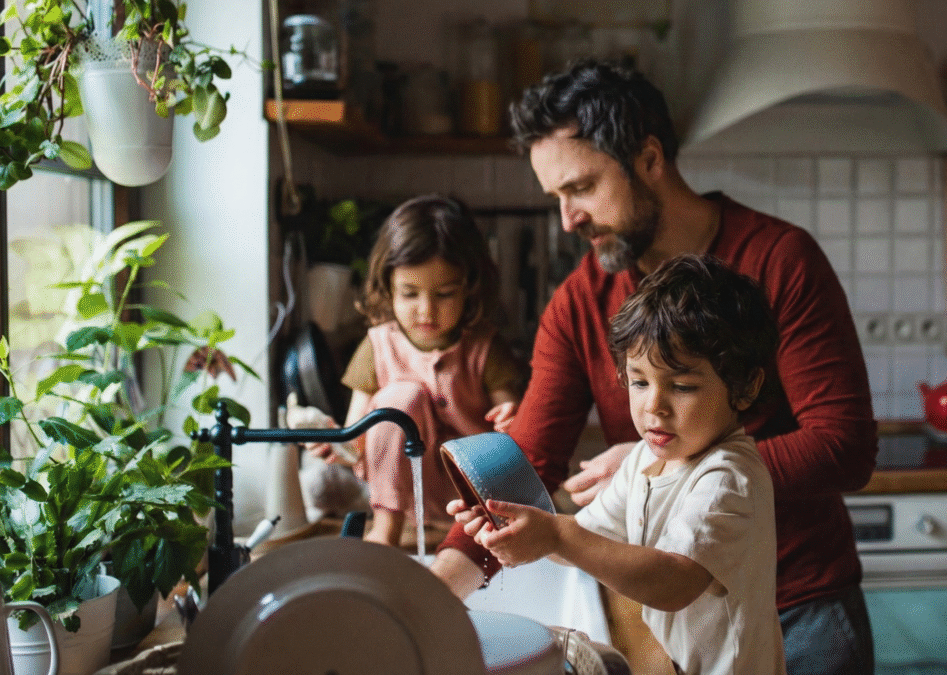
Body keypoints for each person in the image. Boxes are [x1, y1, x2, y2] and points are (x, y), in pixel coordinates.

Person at [431, 60, 878, 675]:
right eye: (556, 197)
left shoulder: (780, 260)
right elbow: (527, 463)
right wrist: (430, 598)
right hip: (680, 629)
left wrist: (670, 465)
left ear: (648, 158)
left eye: (581, 187)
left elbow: (844, 445)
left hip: (801, 606)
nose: (568, 219)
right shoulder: (580, 301)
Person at [477, 254, 785, 675]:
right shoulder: (645, 458)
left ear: (746, 387)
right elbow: (586, 542)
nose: (654, 406)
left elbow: (674, 582)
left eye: (682, 386)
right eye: (639, 381)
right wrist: (523, 530)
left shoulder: (728, 478)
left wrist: (559, 537)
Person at [299, 194, 524, 547]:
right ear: (388, 287)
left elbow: (514, 422)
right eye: (409, 294)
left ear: (470, 286)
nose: (426, 310)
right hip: (404, 501)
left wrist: (513, 420)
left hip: (477, 498)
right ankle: (384, 529)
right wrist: (337, 444)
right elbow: (357, 438)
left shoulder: (484, 347)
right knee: (398, 399)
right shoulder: (377, 346)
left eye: (445, 294)